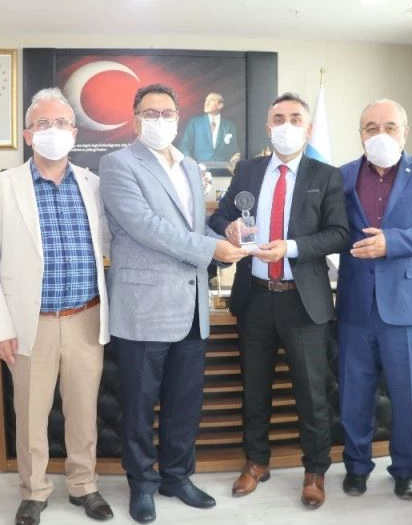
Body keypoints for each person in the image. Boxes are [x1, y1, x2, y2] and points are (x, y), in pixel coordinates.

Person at [99, 83, 247, 524]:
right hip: (144, 305)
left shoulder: (189, 165)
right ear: (135, 119)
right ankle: (141, 484)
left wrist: (225, 237)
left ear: (179, 119)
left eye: (166, 113)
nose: (159, 120)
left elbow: (193, 227)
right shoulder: (118, 164)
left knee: (185, 403)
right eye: (150, 113)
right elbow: (145, 226)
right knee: (138, 407)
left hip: (191, 306)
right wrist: (211, 249)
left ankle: (177, 477)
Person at [0, 88, 114, 524]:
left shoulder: (94, 185)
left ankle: (83, 484)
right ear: (28, 134)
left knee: (83, 412)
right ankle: (33, 491)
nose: (53, 131)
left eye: (61, 123)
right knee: (31, 415)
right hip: (28, 324)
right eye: (43, 124)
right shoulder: (0, 187)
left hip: (85, 318)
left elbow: (107, 245)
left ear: (74, 132)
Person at [209, 92, 349, 510]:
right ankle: (256, 462)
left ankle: (315, 470)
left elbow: (339, 234)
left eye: (295, 118)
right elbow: (219, 216)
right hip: (254, 298)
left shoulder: (326, 175)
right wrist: (229, 228)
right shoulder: (248, 170)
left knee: (312, 395)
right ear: (268, 127)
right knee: (254, 389)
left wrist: (291, 247)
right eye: (278, 118)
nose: (286, 125)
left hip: (303, 302)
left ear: (308, 128)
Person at [336, 99, 412, 501]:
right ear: (360, 134)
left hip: (409, 304)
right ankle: (356, 466)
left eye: (389, 126)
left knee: (407, 395)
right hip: (355, 303)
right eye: (371, 127)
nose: (380, 134)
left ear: (405, 132)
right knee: (355, 393)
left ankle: (405, 468)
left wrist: (393, 242)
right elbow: (331, 229)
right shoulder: (341, 175)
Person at [178, 92, 240, 162]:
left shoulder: (229, 125)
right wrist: (188, 159)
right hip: (199, 167)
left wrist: (235, 157)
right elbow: (184, 145)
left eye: (211, 100)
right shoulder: (195, 123)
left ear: (220, 105)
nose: (206, 103)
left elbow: (234, 149)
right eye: (206, 100)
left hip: (223, 167)